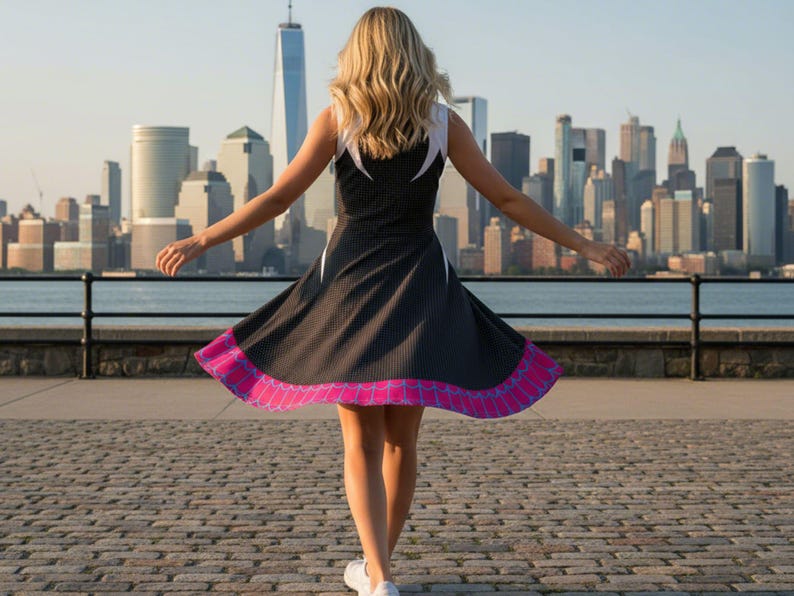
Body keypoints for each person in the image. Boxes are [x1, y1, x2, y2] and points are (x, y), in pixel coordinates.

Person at [156, 7, 631, 595]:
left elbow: (279, 198)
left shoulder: (339, 120)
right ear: (415, 53)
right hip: (419, 285)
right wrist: (585, 245)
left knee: (359, 440)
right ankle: (379, 570)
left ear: (357, 56)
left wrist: (203, 237)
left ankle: (377, 575)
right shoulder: (443, 123)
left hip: (350, 286)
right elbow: (508, 200)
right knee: (403, 441)